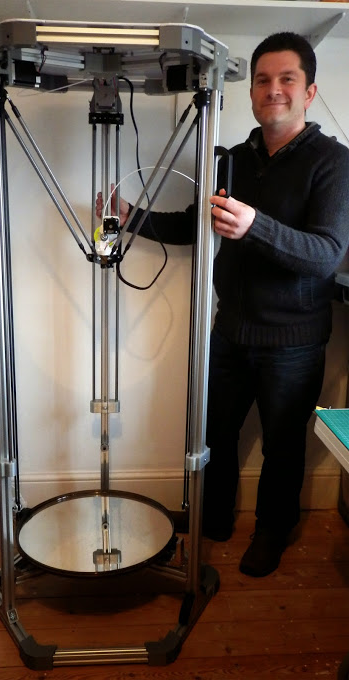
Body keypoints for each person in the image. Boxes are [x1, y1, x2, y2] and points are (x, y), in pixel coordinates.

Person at [96, 32, 349, 577]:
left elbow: (326, 255)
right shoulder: (231, 159)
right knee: (214, 434)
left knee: (283, 445)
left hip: (294, 343)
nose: (274, 89)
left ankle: (272, 531)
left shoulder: (334, 162)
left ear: (309, 92)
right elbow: (197, 224)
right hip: (230, 330)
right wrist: (131, 217)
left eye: (287, 79)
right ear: (251, 91)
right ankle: (212, 518)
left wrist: (255, 225)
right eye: (263, 80)